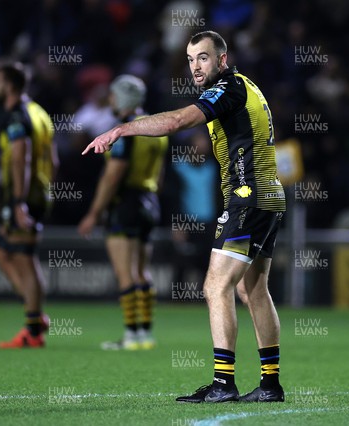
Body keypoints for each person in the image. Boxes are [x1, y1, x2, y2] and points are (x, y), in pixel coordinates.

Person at [83, 31, 286, 403]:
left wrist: (121, 128)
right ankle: (270, 385)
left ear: (222, 60)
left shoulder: (227, 88)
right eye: (191, 58)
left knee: (215, 286)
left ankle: (224, 383)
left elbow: (178, 121)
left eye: (203, 58)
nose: (195, 66)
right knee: (252, 288)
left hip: (248, 198)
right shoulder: (245, 87)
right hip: (266, 197)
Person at [78, 74, 168, 350]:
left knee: (125, 273)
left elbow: (112, 176)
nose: (111, 101)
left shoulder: (127, 131)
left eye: (115, 96)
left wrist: (94, 212)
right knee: (142, 271)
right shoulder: (155, 130)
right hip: (149, 202)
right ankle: (145, 334)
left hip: (126, 203)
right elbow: (160, 175)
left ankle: (130, 334)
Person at [0, 62, 59, 348]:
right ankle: (35, 317)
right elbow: (54, 160)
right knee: (3, 250)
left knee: (23, 258)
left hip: (25, 196)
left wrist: (19, 201)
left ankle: (33, 328)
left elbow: (22, 158)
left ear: (9, 85)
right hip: (39, 193)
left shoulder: (18, 116)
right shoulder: (39, 113)